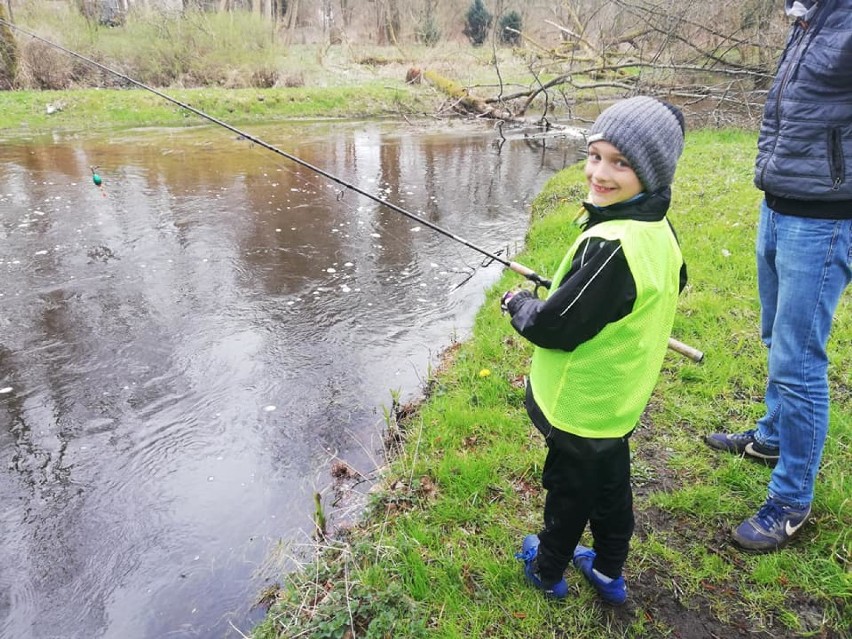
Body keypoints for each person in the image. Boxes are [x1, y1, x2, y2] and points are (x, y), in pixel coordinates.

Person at [503, 96, 688, 605]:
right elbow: (675, 282)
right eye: (595, 156)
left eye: (620, 163)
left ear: (650, 172)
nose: (599, 174)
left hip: (581, 405)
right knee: (611, 489)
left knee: (571, 492)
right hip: (620, 402)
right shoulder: (658, 230)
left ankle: (546, 570)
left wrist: (519, 302)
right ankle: (608, 572)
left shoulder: (610, 246)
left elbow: (554, 327)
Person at [704, 1, 852, 553]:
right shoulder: (812, 15)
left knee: (798, 360)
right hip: (780, 201)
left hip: (826, 218)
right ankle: (770, 437)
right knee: (775, 335)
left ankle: (792, 499)